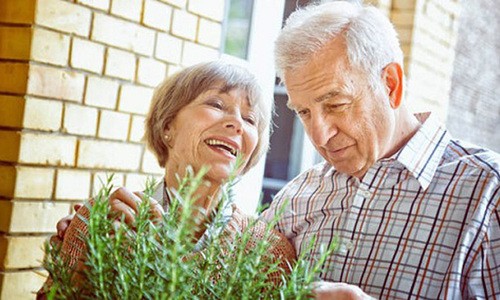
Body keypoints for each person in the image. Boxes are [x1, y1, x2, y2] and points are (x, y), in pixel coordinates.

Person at [262, 1, 500, 299]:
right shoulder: (296, 197)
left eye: (336, 105)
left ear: (391, 84)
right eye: (304, 112)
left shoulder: (488, 194)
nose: (320, 135)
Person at [37, 61, 296, 297]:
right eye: (217, 105)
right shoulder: (102, 220)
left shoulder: (269, 254)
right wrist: (81, 270)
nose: (237, 123)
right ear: (167, 127)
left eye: (250, 119)